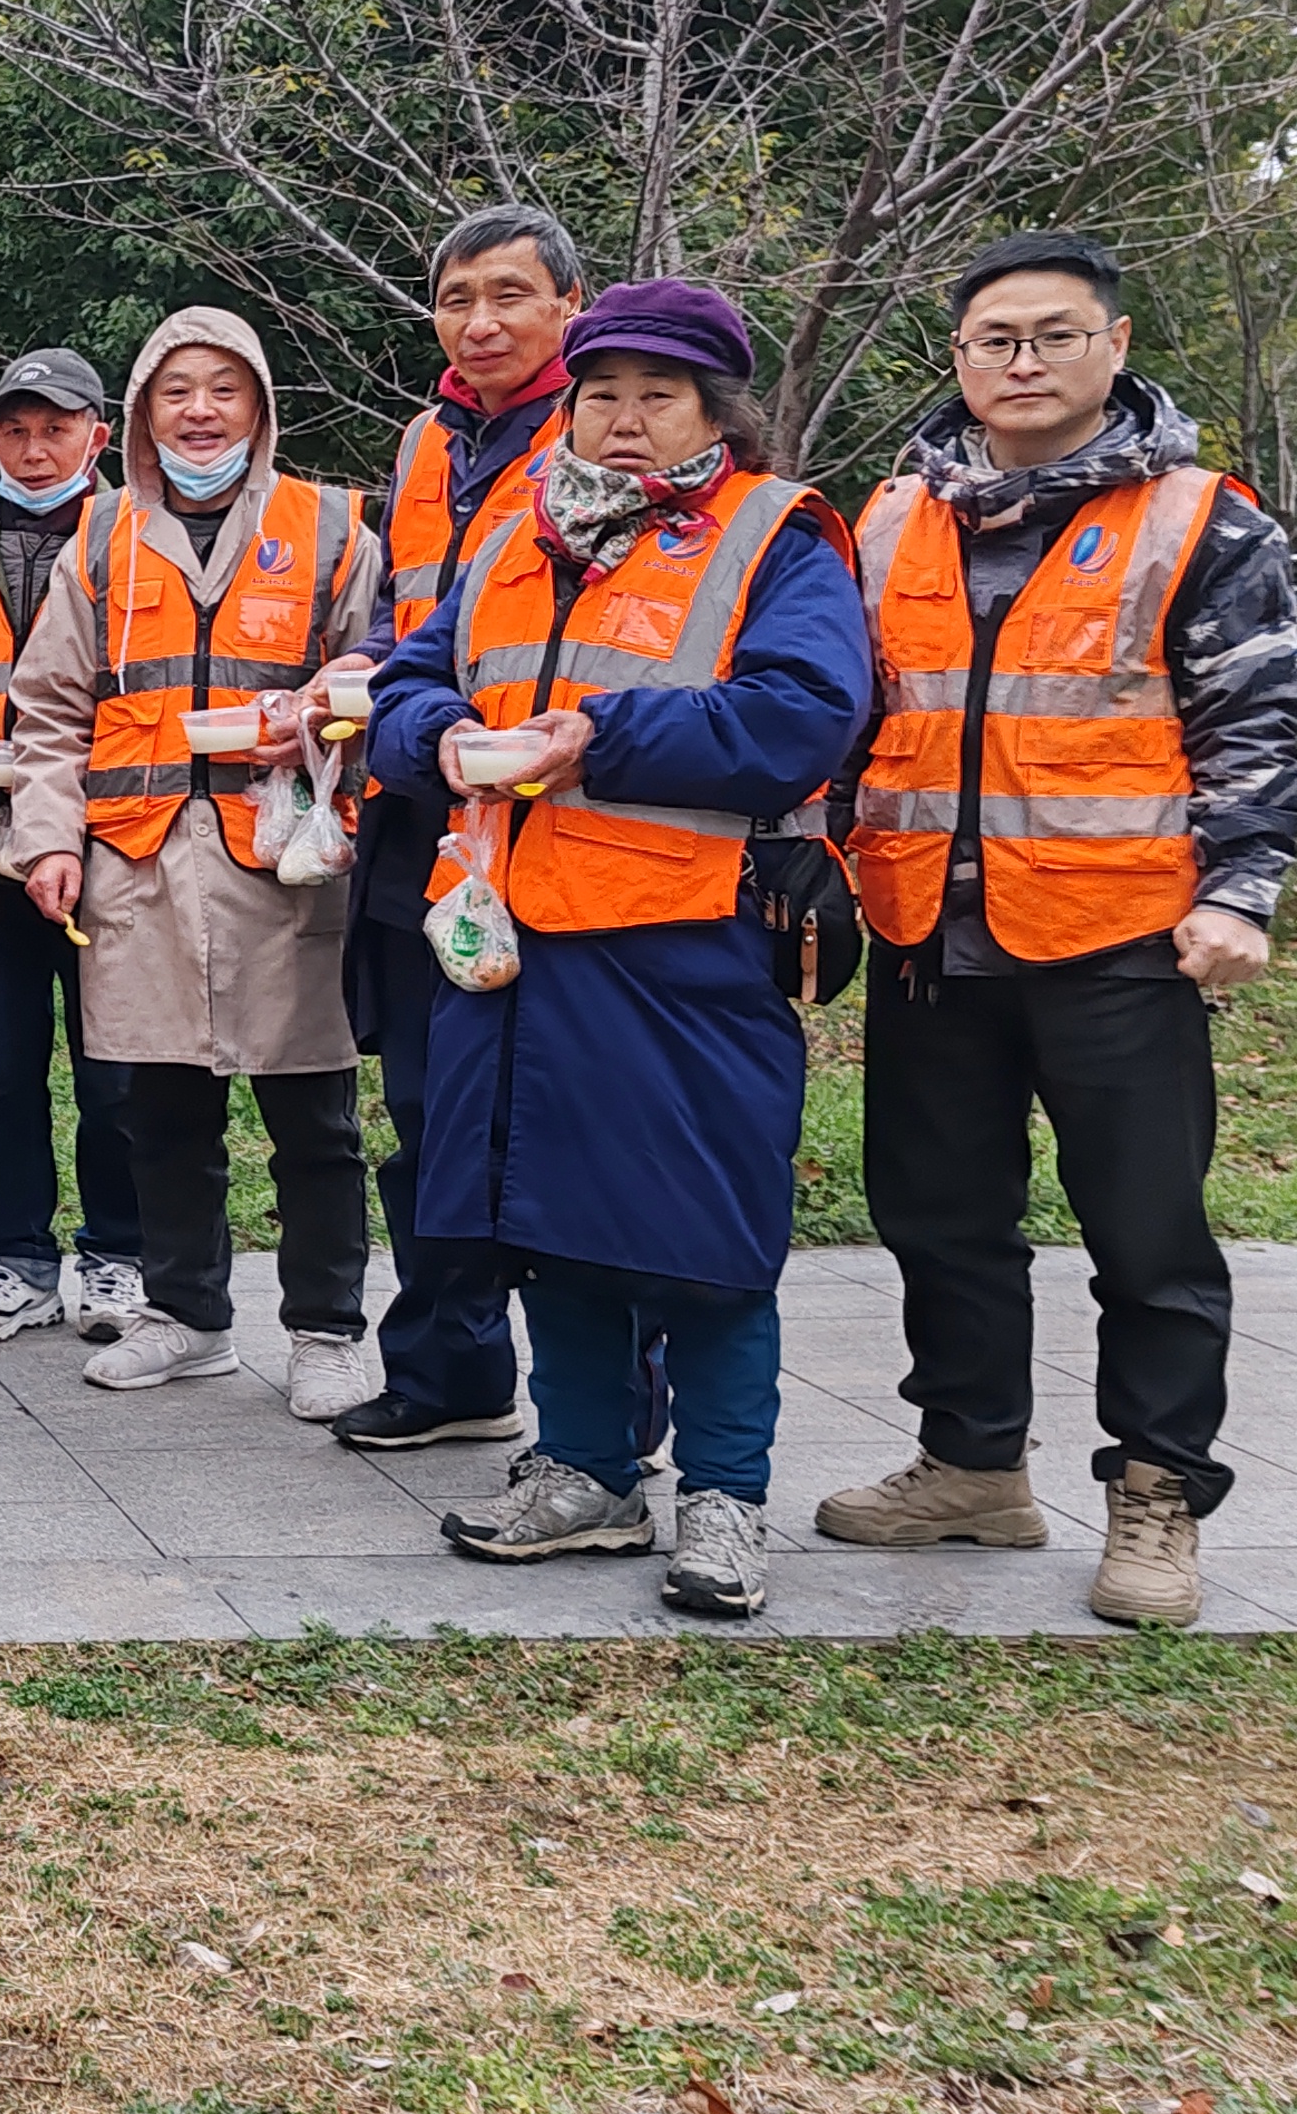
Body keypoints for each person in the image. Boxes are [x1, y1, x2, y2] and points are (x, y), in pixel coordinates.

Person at [368, 283, 868, 1619]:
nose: (626, 420)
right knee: (547, 1225)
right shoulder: (512, 536)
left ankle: (724, 1496)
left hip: (687, 945)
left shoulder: (772, 535)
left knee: (705, 1239)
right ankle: (584, 1472)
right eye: (603, 396)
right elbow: (408, 680)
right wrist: (438, 740)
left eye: (660, 396)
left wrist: (598, 735)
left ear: (717, 414)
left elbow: (805, 714)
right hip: (512, 949)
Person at [823, 232, 1295, 1627]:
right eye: (994, 340)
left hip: (1121, 936)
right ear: (959, 358)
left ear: (1114, 346)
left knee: (1147, 1236)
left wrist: (1240, 891)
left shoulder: (1201, 521)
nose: (1021, 363)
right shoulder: (893, 517)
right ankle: (972, 1467)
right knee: (939, 1219)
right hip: (927, 930)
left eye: (1051, 336)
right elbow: (853, 718)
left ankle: (1156, 1496)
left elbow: (1257, 722)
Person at [0, 306, 384, 1416]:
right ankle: (185, 1315)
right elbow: (47, 711)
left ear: (259, 407)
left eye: (223, 389)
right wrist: (47, 840)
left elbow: (384, 673)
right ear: (141, 414)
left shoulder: (331, 530)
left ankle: (325, 1329)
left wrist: (322, 712)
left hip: (286, 861)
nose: (200, 412)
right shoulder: (101, 536)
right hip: (141, 864)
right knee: (159, 1111)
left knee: (313, 1119)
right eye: (176, 392)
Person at [311, 208, 591, 1451]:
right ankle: (449, 1369)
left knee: (565, 1119)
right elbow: (414, 610)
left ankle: (603, 1411)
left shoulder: (605, 429)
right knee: (428, 1111)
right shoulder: (427, 439)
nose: (478, 323)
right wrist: (358, 669)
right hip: (420, 812)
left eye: (508, 295)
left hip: (559, 814)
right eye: (455, 298)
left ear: (568, 305)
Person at [0, 347, 146, 1345]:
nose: (36, 449)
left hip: (112, 835)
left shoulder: (139, 535)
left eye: (57, 429)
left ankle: (119, 1256)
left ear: (98, 435)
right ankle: (17, 1262)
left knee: (115, 1067)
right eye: (17, 430)